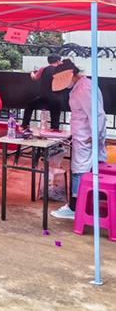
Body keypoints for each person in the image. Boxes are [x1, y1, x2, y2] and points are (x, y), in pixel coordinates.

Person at [50, 59, 107, 219]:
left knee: (79, 171)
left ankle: (75, 207)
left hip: (86, 137)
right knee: (83, 170)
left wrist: (95, 136)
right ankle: (82, 205)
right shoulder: (83, 85)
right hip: (84, 135)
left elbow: (97, 115)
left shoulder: (83, 89)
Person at [21, 54, 63, 130]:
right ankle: (54, 130)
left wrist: (32, 73)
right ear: (57, 61)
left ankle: (25, 125)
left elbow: (34, 78)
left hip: (44, 98)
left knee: (30, 105)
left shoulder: (43, 69)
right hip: (57, 99)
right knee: (55, 119)